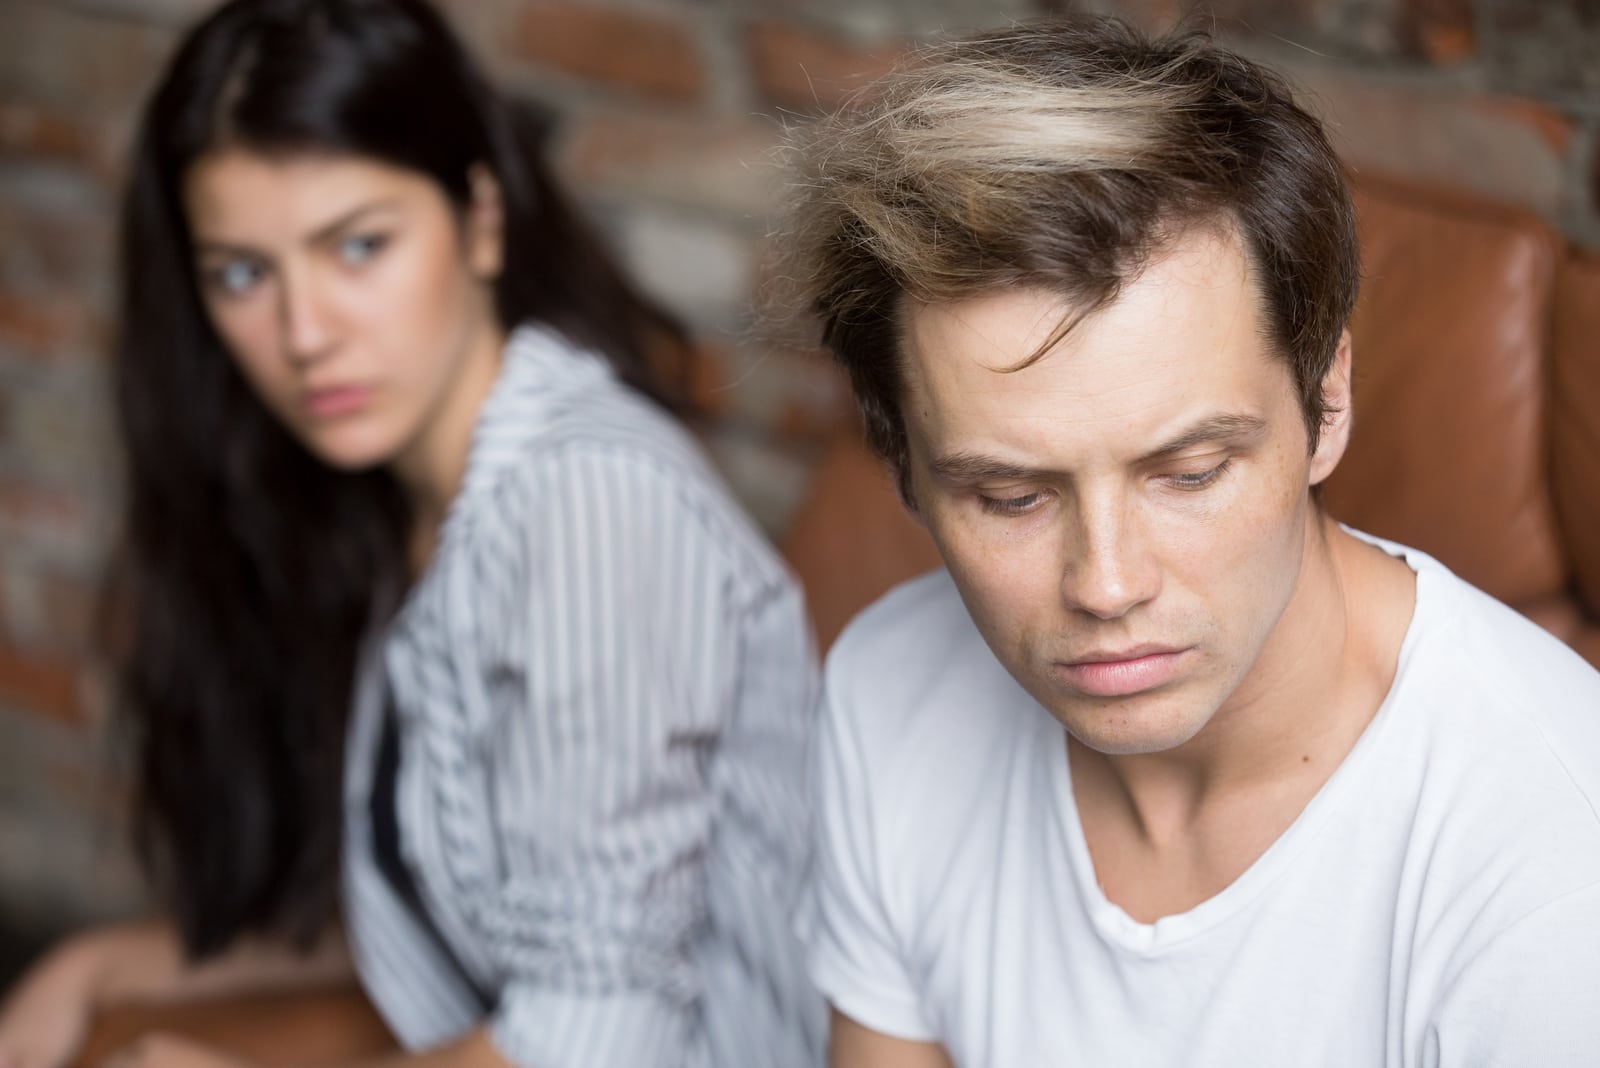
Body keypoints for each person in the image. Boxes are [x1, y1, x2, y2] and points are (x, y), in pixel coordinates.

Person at [0, 1, 822, 1066]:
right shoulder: (416, 511)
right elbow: (440, 921)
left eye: (358, 246)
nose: (304, 334)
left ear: (480, 220)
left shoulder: (586, 508)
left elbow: (597, 1035)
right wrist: (94, 968)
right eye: (243, 273)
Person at [778, 16, 1600, 1068]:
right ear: (902, 468)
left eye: (1189, 473)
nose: (1107, 585)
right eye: (1009, 495)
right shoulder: (890, 687)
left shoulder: (1552, 858)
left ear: (1327, 402)